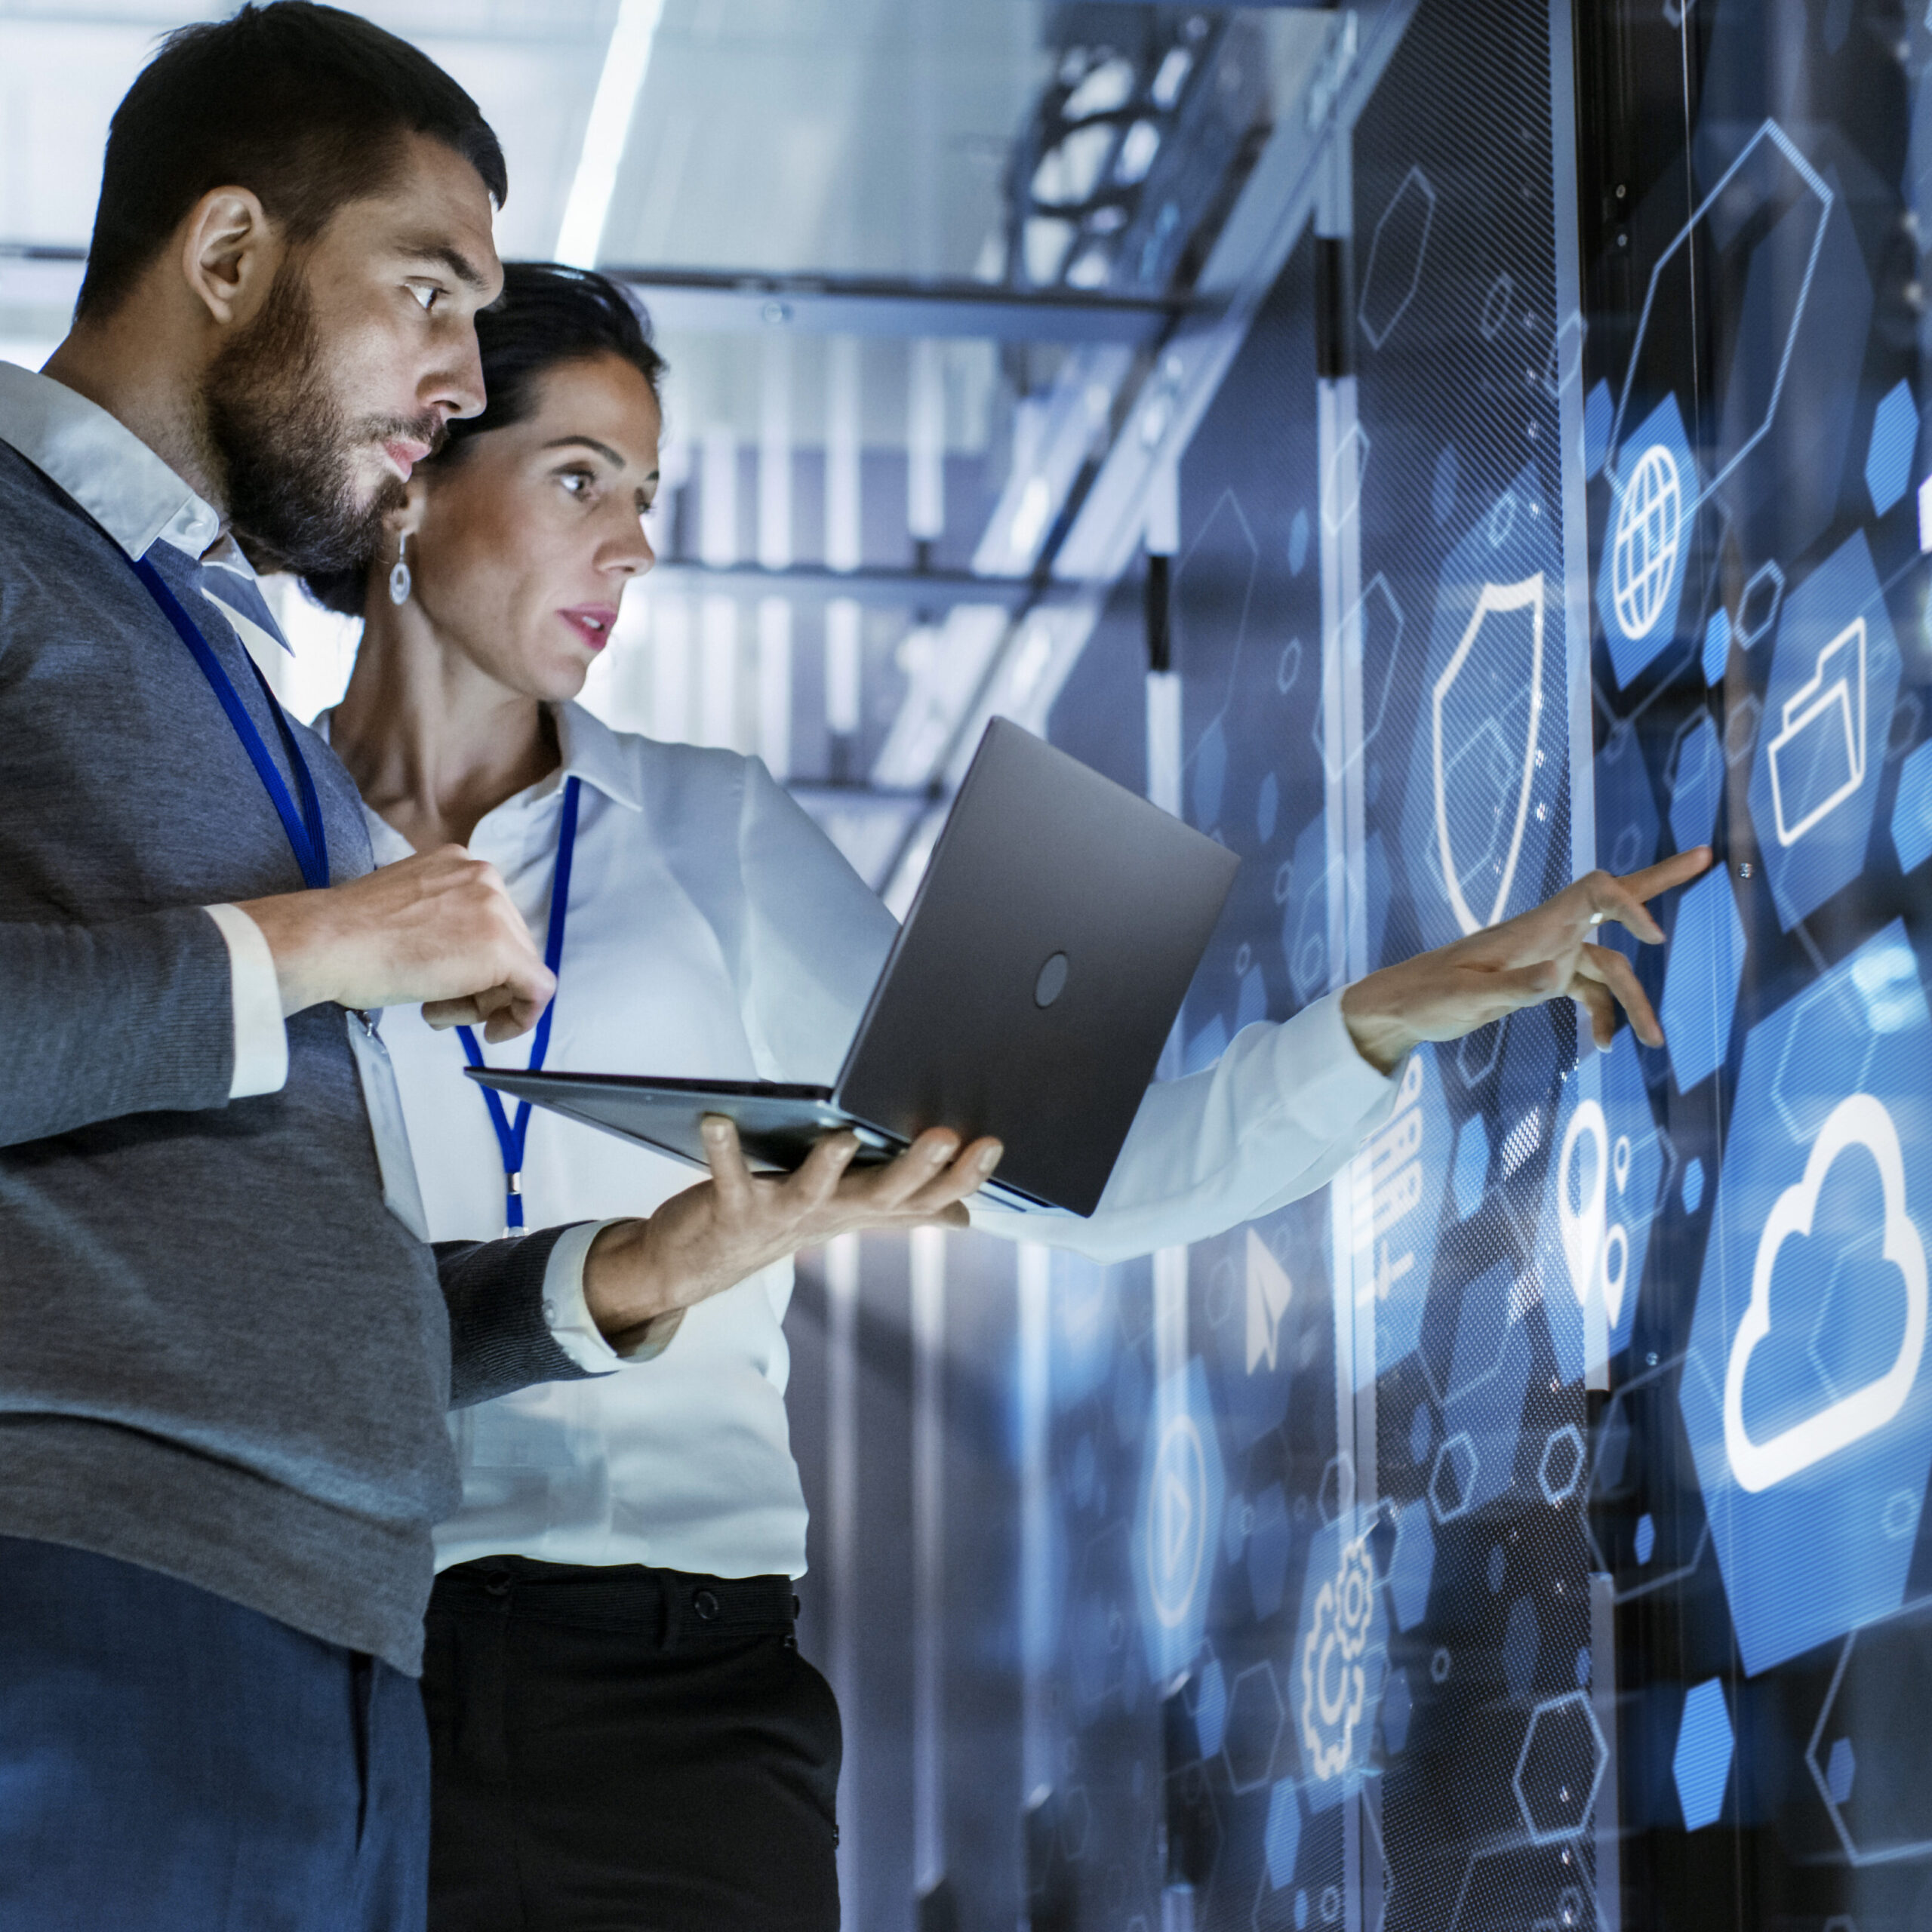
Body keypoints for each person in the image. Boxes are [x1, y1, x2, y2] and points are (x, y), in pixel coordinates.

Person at [309, 260, 1710, 1932]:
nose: (634, 545)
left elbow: (1078, 1178)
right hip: (340, 1658)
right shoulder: (255, 849)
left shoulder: (711, 832)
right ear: (418, 472)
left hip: (678, 1686)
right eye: (579, 478)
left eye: (649, 497)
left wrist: (1386, 1016)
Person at [0, 13, 999, 1931]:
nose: (456, 372)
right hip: (92, 1607)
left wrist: (625, 1278)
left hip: (337, 1659)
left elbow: (287, 1270)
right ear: (227, 259)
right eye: (429, 291)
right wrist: (328, 940)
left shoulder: (229, 693)